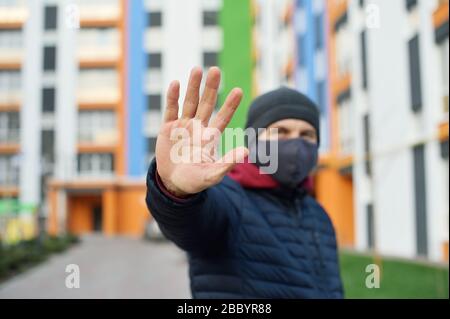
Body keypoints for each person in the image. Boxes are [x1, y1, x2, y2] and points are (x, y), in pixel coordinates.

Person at [146, 67, 343, 299]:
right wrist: (175, 191)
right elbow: (191, 225)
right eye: (281, 131)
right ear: (253, 141)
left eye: (307, 135)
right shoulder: (229, 198)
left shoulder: (319, 215)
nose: (295, 144)